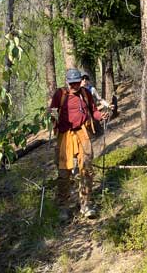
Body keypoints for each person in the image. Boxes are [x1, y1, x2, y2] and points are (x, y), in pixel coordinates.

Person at [50, 68, 109, 221]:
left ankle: (86, 204)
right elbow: (52, 112)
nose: (74, 86)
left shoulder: (85, 93)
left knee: (87, 168)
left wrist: (100, 116)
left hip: (82, 133)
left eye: (77, 83)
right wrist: (52, 117)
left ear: (80, 81)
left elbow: (93, 110)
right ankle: (63, 206)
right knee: (64, 173)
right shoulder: (60, 94)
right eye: (72, 83)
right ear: (67, 82)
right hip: (65, 136)